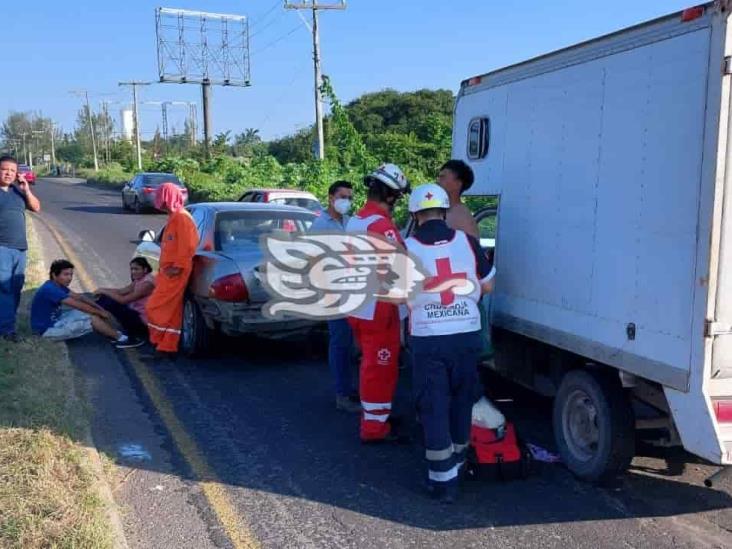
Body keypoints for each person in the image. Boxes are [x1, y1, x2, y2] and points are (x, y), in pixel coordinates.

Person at [405, 183, 496, 503]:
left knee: (433, 405)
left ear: (415, 215)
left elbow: (396, 295)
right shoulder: (469, 243)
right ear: (444, 212)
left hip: (429, 339)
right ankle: (457, 464)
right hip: (466, 336)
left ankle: (443, 482)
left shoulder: (407, 248)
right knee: (461, 401)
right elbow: (488, 286)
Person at [346, 163, 411, 443]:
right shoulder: (381, 225)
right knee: (380, 367)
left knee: (370, 364)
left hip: (359, 303)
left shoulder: (356, 220)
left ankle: (375, 416)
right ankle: (374, 428)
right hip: (379, 307)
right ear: (391, 195)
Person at [310, 180, 360, 414]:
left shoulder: (351, 222)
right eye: (343, 196)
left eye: (350, 197)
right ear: (330, 197)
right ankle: (342, 393)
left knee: (352, 344)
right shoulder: (320, 226)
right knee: (340, 343)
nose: (347, 201)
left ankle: (351, 388)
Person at [145, 182, 198, 354]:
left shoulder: (182, 218)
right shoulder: (174, 218)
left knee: (153, 307)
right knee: (172, 309)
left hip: (175, 272)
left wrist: (178, 267)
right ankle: (166, 345)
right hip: (168, 272)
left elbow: (188, 246)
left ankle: (158, 340)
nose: (158, 200)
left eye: (161, 196)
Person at [30, 259, 133, 344]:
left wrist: (99, 308)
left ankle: (113, 333)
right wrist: (100, 312)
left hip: (55, 320)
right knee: (92, 318)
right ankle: (122, 339)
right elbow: (79, 305)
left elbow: (80, 297)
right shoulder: (50, 289)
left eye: (71, 275)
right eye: (66, 275)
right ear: (54, 275)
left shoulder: (56, 285)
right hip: (46, 331)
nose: (69, 278)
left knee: (92, 312)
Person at [0, 155, 41, 342]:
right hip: (2, 248)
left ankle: (8, 323)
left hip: (20, 249)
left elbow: (36, 207)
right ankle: (7, 330)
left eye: (12, 171)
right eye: (4, 169)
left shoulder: (18, 192)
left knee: (15, 288)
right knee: (5, 288)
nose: (8, 173)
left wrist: (26, 190)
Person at [95, 257, 156, 348]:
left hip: (144, 321)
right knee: (105, 298)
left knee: (114, 304)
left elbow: (123, 300)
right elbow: (121, 291)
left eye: (136, 269)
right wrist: (101, 290)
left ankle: (133, 338)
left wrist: (104, 291)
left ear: (145, 269)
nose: (133, 272)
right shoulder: (139, 279)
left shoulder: (147, 284)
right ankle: (100, 323)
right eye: (132, 269)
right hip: (136, 313)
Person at [438, 159, 478, 238]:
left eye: (442, 177)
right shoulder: (444, 211)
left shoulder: (462, 218)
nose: (438, 181)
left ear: (457, 184)